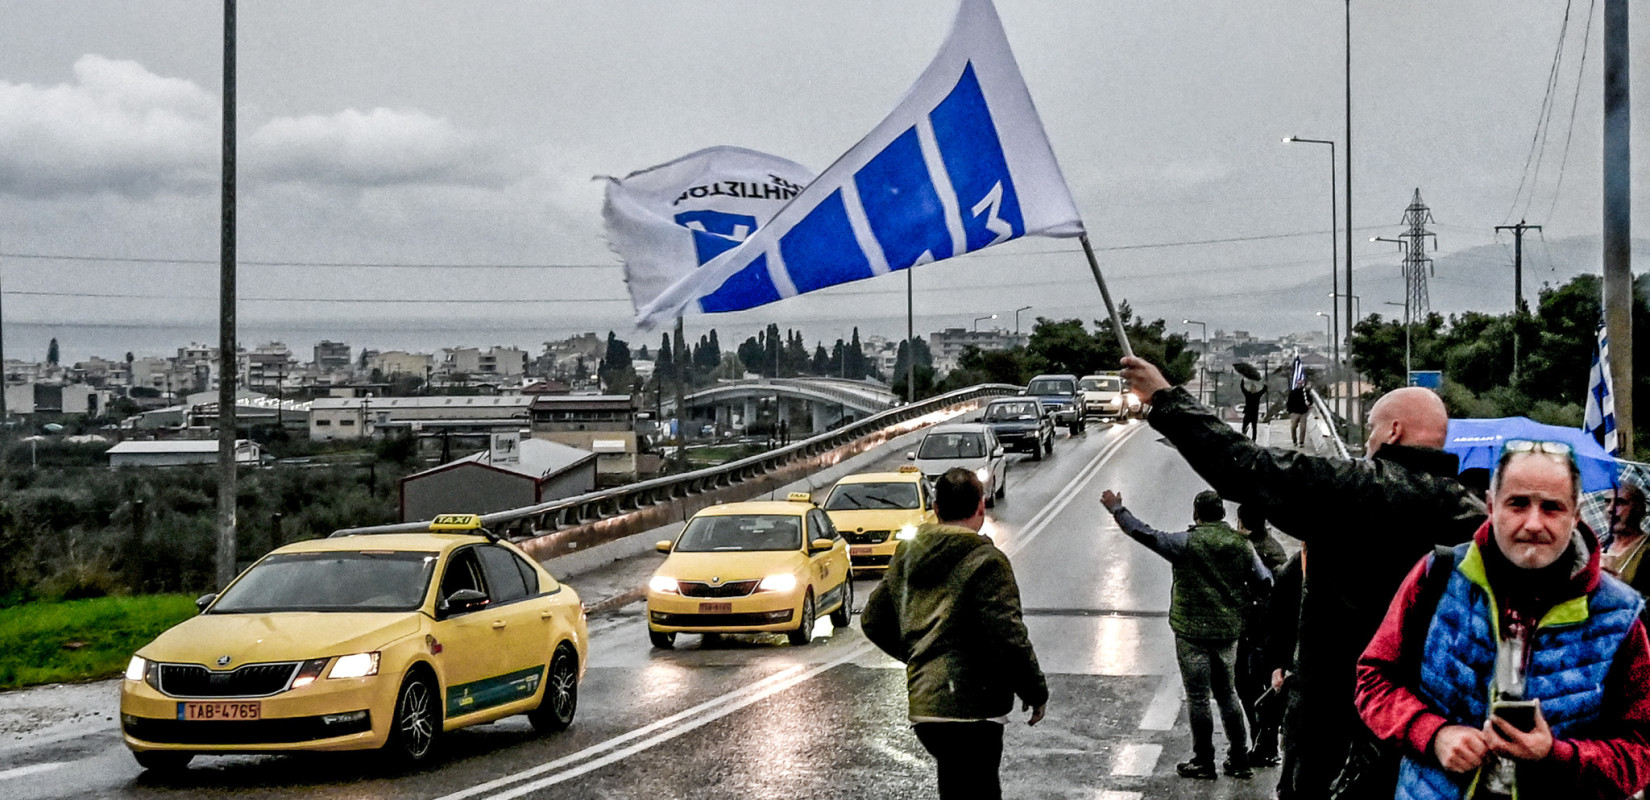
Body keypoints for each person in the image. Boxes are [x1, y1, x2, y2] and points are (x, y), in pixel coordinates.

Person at [1118, 356, 1484, 800]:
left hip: (1336, 715)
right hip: (1437, 725)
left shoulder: (1358, 490)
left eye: (1371, 429)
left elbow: (1247, 467)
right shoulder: (1476, 519)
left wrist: (1165, 399)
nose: (1366, 440)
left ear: (1393, 432)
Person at [1355, 440, 1650, 798]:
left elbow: (1640, 751)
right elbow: (1373, 679)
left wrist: (1554, 755)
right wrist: (1432, 734)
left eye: (1552, 507)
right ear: (1493, 506)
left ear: (1576, 515)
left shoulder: (1618, 615)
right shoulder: (1440, 574)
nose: (1533, 522)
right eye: (1518, 503)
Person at [861, 467, 1048, 800]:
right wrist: (1034, 690)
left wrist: (919, 655)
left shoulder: (907, 553)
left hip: (926, 707)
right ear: (981, 507)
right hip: (974, 708)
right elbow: (1007, 635)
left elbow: (873, 621)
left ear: (936, 508)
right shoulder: (987, 561)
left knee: (955, 786)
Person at [1102, 488, 1271, 779]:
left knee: (1198, 698)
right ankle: (1239, 758)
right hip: (1227, 633)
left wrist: (1118, 509)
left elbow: (1145, 534)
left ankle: (1204, 761)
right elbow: (1264, 580)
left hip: (1191, 633)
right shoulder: (1242, 545)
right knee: (1228, 693)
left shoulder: (1185, 544)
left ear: (1196, 514)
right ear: (1221, 514)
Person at [1236, 503, 1288, 765]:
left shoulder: (1253, 550)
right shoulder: (1274, 548)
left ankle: (1264, 743)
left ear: (1242, 522)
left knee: (1252, 688)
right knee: (1254, 687)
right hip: (1261, 630)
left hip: (1257, 632)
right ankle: (1264, 742)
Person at [1601, 482, 1646, 580]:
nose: (1610, 509)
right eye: (1607, 502)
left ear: (1639, 509)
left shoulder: (1645, 549)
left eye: (1620, 503)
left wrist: (1620, 585)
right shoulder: (1598, 546)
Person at [1286, 379, 1310, 447]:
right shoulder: (1293, 393)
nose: (1300, 385)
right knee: (1293, 427)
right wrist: (1290, 411)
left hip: (1303, 413)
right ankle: (1294, 440)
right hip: (1294, 412)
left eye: (1301, 383)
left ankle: (1301, 442)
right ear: (1297, 384)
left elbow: (1310, 400)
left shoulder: (1305, 393)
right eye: (1299, 383)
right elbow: (1289, 402)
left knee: (1303, 428)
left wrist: (1309, 403)